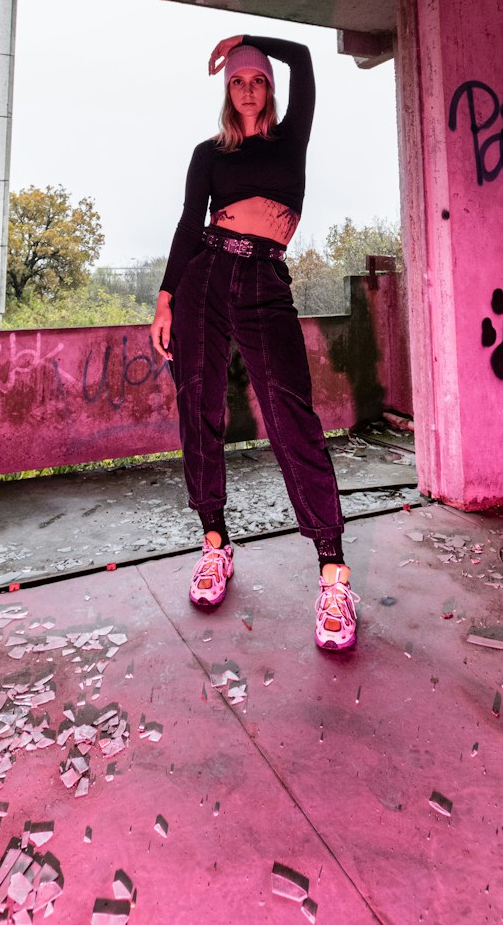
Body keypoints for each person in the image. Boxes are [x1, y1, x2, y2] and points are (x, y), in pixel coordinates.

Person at [151, 32, 357, 651]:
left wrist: (245, 41)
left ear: (269, 88)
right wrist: (165, 298)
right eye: (238, 80)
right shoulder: (208, 152)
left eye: (257, 79)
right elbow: (190, 222)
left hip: (266, 279)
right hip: (206, 275)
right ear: (226, 90)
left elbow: (306, 59)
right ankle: (214, 541)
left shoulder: (292, 137)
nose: (247, 88)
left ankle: (333, 570)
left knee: (292, 414)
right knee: (199, 405)